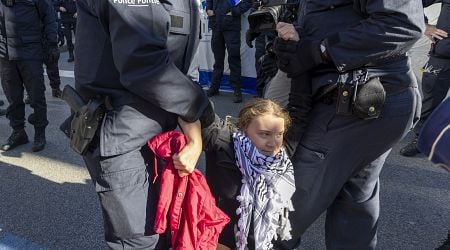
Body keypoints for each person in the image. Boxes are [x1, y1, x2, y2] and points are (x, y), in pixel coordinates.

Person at [270, 1, 424, 249]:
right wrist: (297, 39)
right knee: (353, 204)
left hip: (355, 103)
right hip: (360, 101)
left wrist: (317, 50)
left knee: (280, 210)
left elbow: (402, 23)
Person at [74, 0, 212, 248]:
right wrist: (200, 110)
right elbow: (143, 64)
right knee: (141, 241)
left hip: (162, 135)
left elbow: (185, 64)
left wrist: (193, 128)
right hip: (122, 135)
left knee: (167, 232)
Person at [203, 98, 295, 250]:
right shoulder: (225, 145)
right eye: (264, 134)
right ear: (244, 128)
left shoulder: (282, 158)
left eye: (279, 134)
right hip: (222, 240)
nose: (273, 143)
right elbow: (199, 105)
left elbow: (302, 107)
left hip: (263, 242)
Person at [0, 0, 58, 152]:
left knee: (36, 96)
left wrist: (52, 43)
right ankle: (18, 132)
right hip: (5, 54)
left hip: (30, 52)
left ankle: (40, 133)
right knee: (12, 97)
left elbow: (49, 17)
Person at [400, 0, 450, 157]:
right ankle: (421, 138)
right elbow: (413, 3)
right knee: (431, 98)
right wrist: (424, 25)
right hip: (443, 55)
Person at [205, 0, 252, 103]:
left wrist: (234, 11)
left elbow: (248, 2)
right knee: (218, 61)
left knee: (234, 59)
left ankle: (237, 90)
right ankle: (214, 88)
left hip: (231, 26)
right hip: (216, 24)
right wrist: (208, 8)